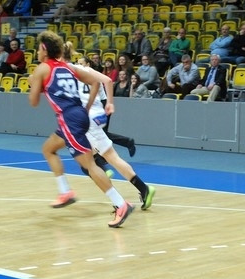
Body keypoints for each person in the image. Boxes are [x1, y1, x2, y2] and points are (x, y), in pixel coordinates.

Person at [27, 31, 134, 228]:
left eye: (38, 48)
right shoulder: (66, 66)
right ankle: (64, 191)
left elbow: (33, 102)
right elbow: (95, 82)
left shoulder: (42, 68)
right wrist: (86, 108)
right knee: (48, 149)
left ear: (44, 48)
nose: (37, 52)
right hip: (79, 116)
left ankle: (121, 204)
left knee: (90, 166)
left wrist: (33, 83)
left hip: (69, 120)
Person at [75, 56, 155, 209]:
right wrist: (110, 104)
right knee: (94, 159)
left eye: (80, 62)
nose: (78, 64)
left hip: (87, 121)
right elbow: (108, 83)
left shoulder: (72, 73)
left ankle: (120, 198)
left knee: (90, 164)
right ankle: (142, 189)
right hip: (96, 118)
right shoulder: (91, 74)